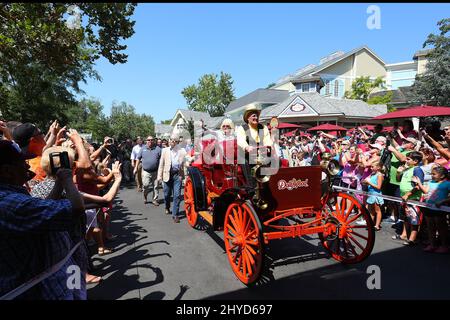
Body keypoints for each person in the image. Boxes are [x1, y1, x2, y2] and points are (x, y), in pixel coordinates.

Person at [0, 140, 85, 299]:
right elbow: (76, 208)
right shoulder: (10, 203)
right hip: (34, 288)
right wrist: (67, 178)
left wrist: (60, 182)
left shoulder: (18, 195)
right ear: (6, 171)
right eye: (22, 163)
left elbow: (45, 209)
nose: (27, 167)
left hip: (48, 277)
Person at [235, 104, 274, 188]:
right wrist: (247, 147)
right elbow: (241, 140)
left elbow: (267, 139)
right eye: (253, 116)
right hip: (248, 156)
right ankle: (251, 187)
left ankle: (271, 184)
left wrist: (268, 146)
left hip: (262, 154)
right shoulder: (242, 128)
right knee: (244, 161)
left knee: (274, 159)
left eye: (256, 116)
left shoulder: (263, 127)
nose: (256, 118)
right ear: (248, 117)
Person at [413, 166, 450, 253]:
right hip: (429, 207)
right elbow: (426, 191)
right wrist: (419, 183)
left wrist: (443, 201)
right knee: (430, 227)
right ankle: (432, 244)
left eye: (434, 174)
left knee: (441, 227)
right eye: (431, 174)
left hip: (440, 209)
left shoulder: (447, 184)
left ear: (442, 176)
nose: (432, 176)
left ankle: (444, 245)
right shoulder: (431, 182)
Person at [393, 151, 424, 246]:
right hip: (404, 198)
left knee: (414, 219)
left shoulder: (417, 170)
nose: (406, 160)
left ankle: (412, 239)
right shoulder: (407, 169)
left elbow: (418, 186)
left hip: (413, 198)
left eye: (408, 159)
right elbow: (398, 179)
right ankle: (404, 235)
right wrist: (399, 172)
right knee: (406, 218)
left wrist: (408, 194)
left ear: (415, 161)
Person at [157, 136, 187, 223]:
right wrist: (159, 176)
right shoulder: (165, 150)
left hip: (177, 175)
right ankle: (167, 206)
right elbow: (161, 164)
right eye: (170, 140)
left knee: (177, 195)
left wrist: (184, 176)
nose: (171, 142)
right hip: (167, 175)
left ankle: (175, 215)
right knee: (167, 194)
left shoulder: (182, 151)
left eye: (174, 140)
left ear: (177, 142)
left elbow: (184, 164)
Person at [135, 136, 161, 206]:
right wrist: (135, 168)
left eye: (151, 140)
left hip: (155, 171)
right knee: (145, 186)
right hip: (146, 171)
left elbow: (161, 160)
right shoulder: (143, 149)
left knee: (156, 186)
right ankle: (145, 197)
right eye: (148, 140)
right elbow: (138, 158)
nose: (150, 141)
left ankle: (154, 199)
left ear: (154, 141)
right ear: (146, 141)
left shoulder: (158, 149)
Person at [362, 161, 384, 231]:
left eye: (372, 167)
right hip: (371, 194)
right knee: (371, 210)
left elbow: (378, 187)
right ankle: (370, 224)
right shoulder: (372, 174)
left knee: (377, 210)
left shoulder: (379, 175)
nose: (371, 168)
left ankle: (377, 225)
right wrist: (364, 182)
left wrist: (369, 183)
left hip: (376, 194)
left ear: (378, 167)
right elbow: (366, 181)